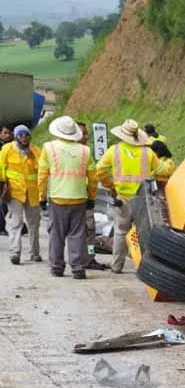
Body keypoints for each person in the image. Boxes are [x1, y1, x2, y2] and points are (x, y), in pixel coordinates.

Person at [96, 119, 175, 273]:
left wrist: (109, 185)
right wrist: (170, 162)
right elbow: (163, 170)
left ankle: (117, 266)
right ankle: (144, 267)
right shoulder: (148, 152)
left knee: (120, 231)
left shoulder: (114, 150)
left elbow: (99, 170)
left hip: (122, 199)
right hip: (142, 199)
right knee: (142, 232)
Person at [38, 115, 97, 279]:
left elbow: (42, 176)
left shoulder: (48, 148)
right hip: (79, 198)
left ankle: (57, 266)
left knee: (56, 233)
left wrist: (42, 197)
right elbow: (93, 178)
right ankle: (78, 268)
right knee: (78, 234)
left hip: (57, 198)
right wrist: (91, 197)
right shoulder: (85, 150)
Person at [0, 125, 41, 264]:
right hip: (14, 191)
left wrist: (33, 159)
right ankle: (15, 252)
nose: (24, 137)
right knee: (15, 223)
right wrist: (2, 185)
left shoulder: (35, 151)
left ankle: (35, 253)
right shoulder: (7, 149)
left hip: (32, 192)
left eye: (27, 135)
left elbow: (42, 169)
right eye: (21, 135)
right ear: (16, 136)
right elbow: (1, 167)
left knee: (33, 224)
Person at [77, 122, 109, 270]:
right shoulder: (84, 153)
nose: (86, 136)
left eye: (86, 133)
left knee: (89, 232)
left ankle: (89, 257)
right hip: (78, 199)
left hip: (81, 198)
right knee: (84, 232)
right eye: (83, 133)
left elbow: (93, 178)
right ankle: (84, 259)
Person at [0, 125, 13, 236]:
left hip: (9, 178)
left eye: (9, 133)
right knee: (3, 203)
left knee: (6, 203)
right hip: (2, 178)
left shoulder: (13, 146)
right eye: (5, 133)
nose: (8, 135)